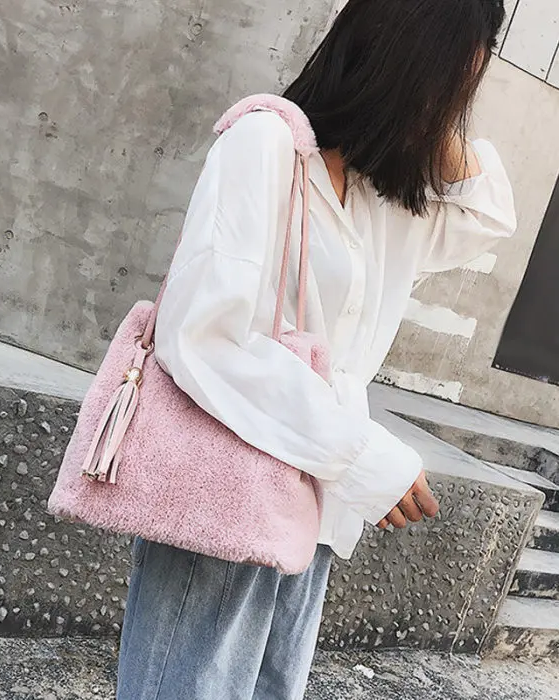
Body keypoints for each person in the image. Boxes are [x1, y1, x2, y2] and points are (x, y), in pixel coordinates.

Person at [116, 1, 516, 698]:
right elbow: (202, 334)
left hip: (315, 509)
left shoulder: (387, 199)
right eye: (449, 80)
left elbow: (488, 216)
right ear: (401, 59)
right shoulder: (266, 144)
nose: (452, 107)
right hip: (227, 489)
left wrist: (442, 107)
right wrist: (361, 456)